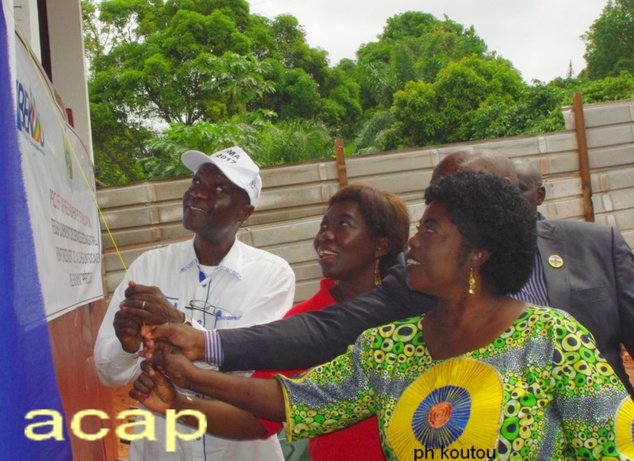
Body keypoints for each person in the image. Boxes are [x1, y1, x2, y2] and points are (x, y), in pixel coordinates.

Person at [134, 170, 634, 460]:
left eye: (432, 231)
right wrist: (187, 377)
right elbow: (296, 399)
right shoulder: (391, 346)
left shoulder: (551, 339)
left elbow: (615, 448)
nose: (413, 243)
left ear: (478, 252)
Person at [132, 184, 411, 460]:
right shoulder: (300, 325)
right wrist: (178, 405)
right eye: (324, 224)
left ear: (380, 245)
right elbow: (256, 420)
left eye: (344, 225)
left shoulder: (415, 316)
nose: (325, 235)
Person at [93, 146, 296, 460]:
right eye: (196, 182)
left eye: (217, 188)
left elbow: (247, 368)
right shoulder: (149, 266)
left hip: (238, 449)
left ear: (244, 211)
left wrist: (178, 324)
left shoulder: (272, 275)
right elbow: (109, 374)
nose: (198, 193)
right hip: (162, 448)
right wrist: (127, 346)